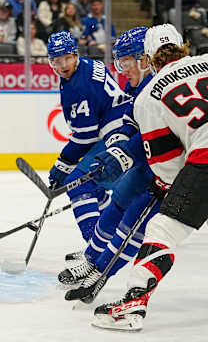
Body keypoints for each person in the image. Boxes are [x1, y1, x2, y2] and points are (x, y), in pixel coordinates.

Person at [92, 23, 208, 332]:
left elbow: (168, 166)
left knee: (161, 229)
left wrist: (165, 186)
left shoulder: (149, 95)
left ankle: (133, 303)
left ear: (149, 58)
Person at [60, 28, 159, 304]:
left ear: (143, 59)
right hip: (145, 163)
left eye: (126, 62)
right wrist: (117, 147)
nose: (122, 69)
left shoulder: (156, 87)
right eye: (121, 62)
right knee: (115, 207)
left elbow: (157, 135)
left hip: (165, 170)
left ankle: (101, 273)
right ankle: (92, 260)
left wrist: (124, 152)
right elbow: (129, 119)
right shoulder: (136, 84)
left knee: (132, 223)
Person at [45, 31, 133, 266]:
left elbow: (85, 137)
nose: (62, 65)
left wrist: (62, 165)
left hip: (118, 134)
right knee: (95, 189)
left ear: (74, 54)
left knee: (77, 184)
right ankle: (107, 238)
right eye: (56, 60)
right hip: (123, 124)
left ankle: (95, 250)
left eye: (66, 58)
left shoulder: (77, 88)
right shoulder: (87, 65)